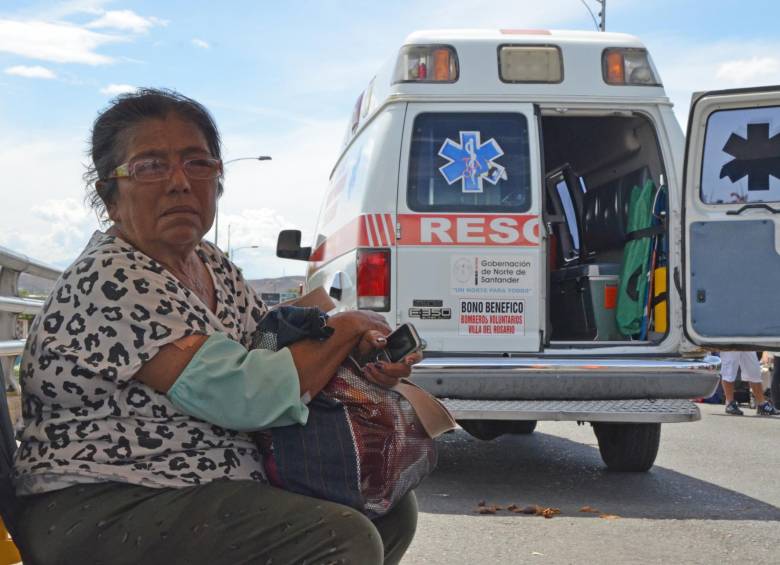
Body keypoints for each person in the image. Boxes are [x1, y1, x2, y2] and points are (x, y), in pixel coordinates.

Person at [12, 88, 422, 564]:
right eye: (150, 166)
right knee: (337, 537)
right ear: (110, 198)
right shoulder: (111, 279)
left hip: (196, 487)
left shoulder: (209, 263)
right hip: (102, 502)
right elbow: (245, 395)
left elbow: (271, 339)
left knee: (387, 510)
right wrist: (349, 326)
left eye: (198, 164)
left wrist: (359, 351)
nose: (179, 182)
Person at [720, 351, 779, 416]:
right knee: (729, 368)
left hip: (746, 342)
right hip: (729, 342)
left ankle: (761, 405)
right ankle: (729, 403)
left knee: (754, 370)